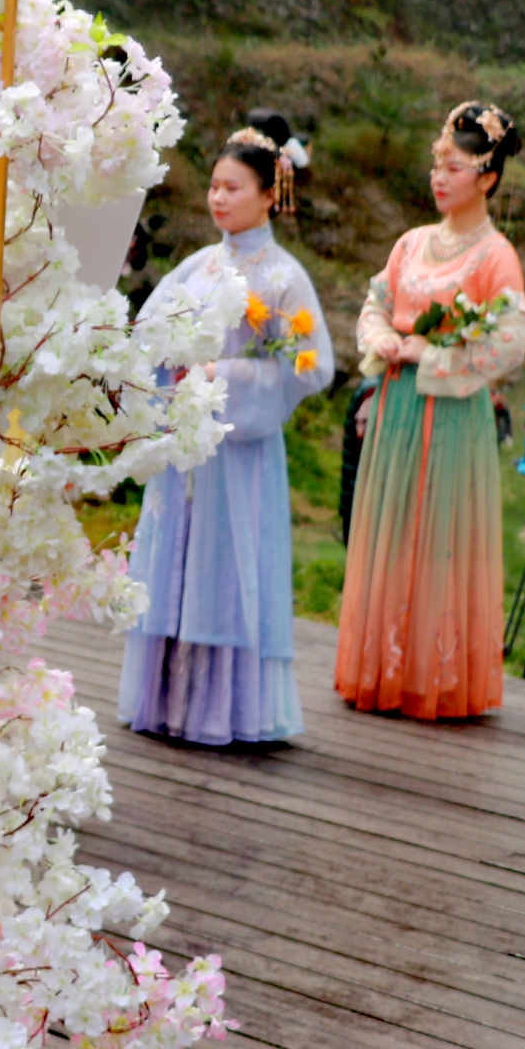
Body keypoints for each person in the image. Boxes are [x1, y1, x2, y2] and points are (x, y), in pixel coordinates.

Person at [122, 113, 337, 744]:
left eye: (234, 187)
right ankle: (168, 700)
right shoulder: (196, 269)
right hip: (186, 445)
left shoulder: (281, 277)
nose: (219, 197)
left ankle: (222, 709)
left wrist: (227, 375)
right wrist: (165, 365)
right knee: (174, 554)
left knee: (228, 559)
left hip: (237, 449)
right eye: (214, 185)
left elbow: (311, 365)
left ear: (271, 194)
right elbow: (145, 339)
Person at [333, 101, 525, 721]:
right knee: (390, 533)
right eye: (436, 165)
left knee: (442, 537)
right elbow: (375, 301)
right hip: (395, 410)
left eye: (454, 166)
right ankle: (381, 667)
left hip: (448, 418)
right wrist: (380, 339)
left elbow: (508, 342)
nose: (439, 177)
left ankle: (434, 677)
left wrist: (431, 353)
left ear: (488, 176)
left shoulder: (495, 255)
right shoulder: (412, 243)